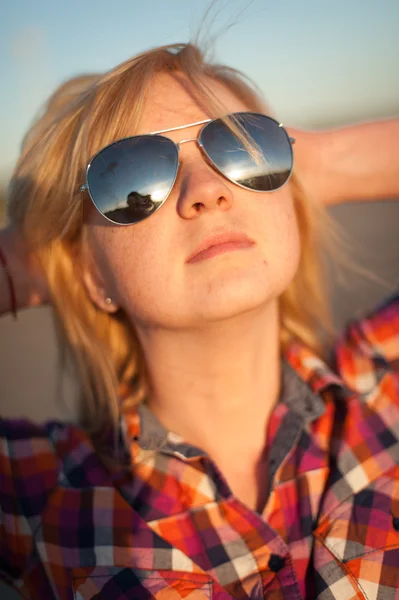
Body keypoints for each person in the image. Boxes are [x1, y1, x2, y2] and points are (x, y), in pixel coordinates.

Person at [0, 42, 398, 600]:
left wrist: (314, 165)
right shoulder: (32, 493)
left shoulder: (388, 378)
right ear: (92, 275)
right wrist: (29, 262)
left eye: (244, 146)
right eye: (132, 176)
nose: (207, 191)